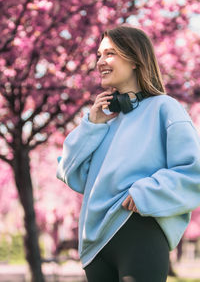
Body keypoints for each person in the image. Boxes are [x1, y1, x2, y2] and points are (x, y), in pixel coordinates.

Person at [56, 25, 200, 282]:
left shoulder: (164, 108)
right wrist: (91, 124)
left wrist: (146, 192)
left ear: (134, 59)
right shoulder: (103, 123)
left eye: (109, 53)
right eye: (99, 55)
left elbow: (194, 172)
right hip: (95, 244)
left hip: (138, 230)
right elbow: (71, 173)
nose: (100, 62)